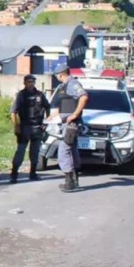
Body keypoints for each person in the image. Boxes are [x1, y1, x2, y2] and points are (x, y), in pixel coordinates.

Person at [49, 63, 89, 192]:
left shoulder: (73, 84)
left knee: (64, 150)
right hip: (66, 122)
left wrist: (75, 114)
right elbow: (66, 104)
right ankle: (74, 180)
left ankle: (69, 181)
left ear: (60, 74)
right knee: (71, 150)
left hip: (71, 123)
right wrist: (53, 115)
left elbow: (83, 97)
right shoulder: (64, 86)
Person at [9, 74, 51, 183]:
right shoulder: (21, 95)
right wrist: (16, 126)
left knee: (35, 152)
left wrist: (46, 122)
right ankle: (14, 174)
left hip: (37, 127)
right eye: (29, 81)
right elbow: (13, 112)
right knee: (20, 151)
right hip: (25, 127)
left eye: (32, 81)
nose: (31, 83)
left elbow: (47, 107)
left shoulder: (40, 95)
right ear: (24, 83)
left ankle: (33, 173)